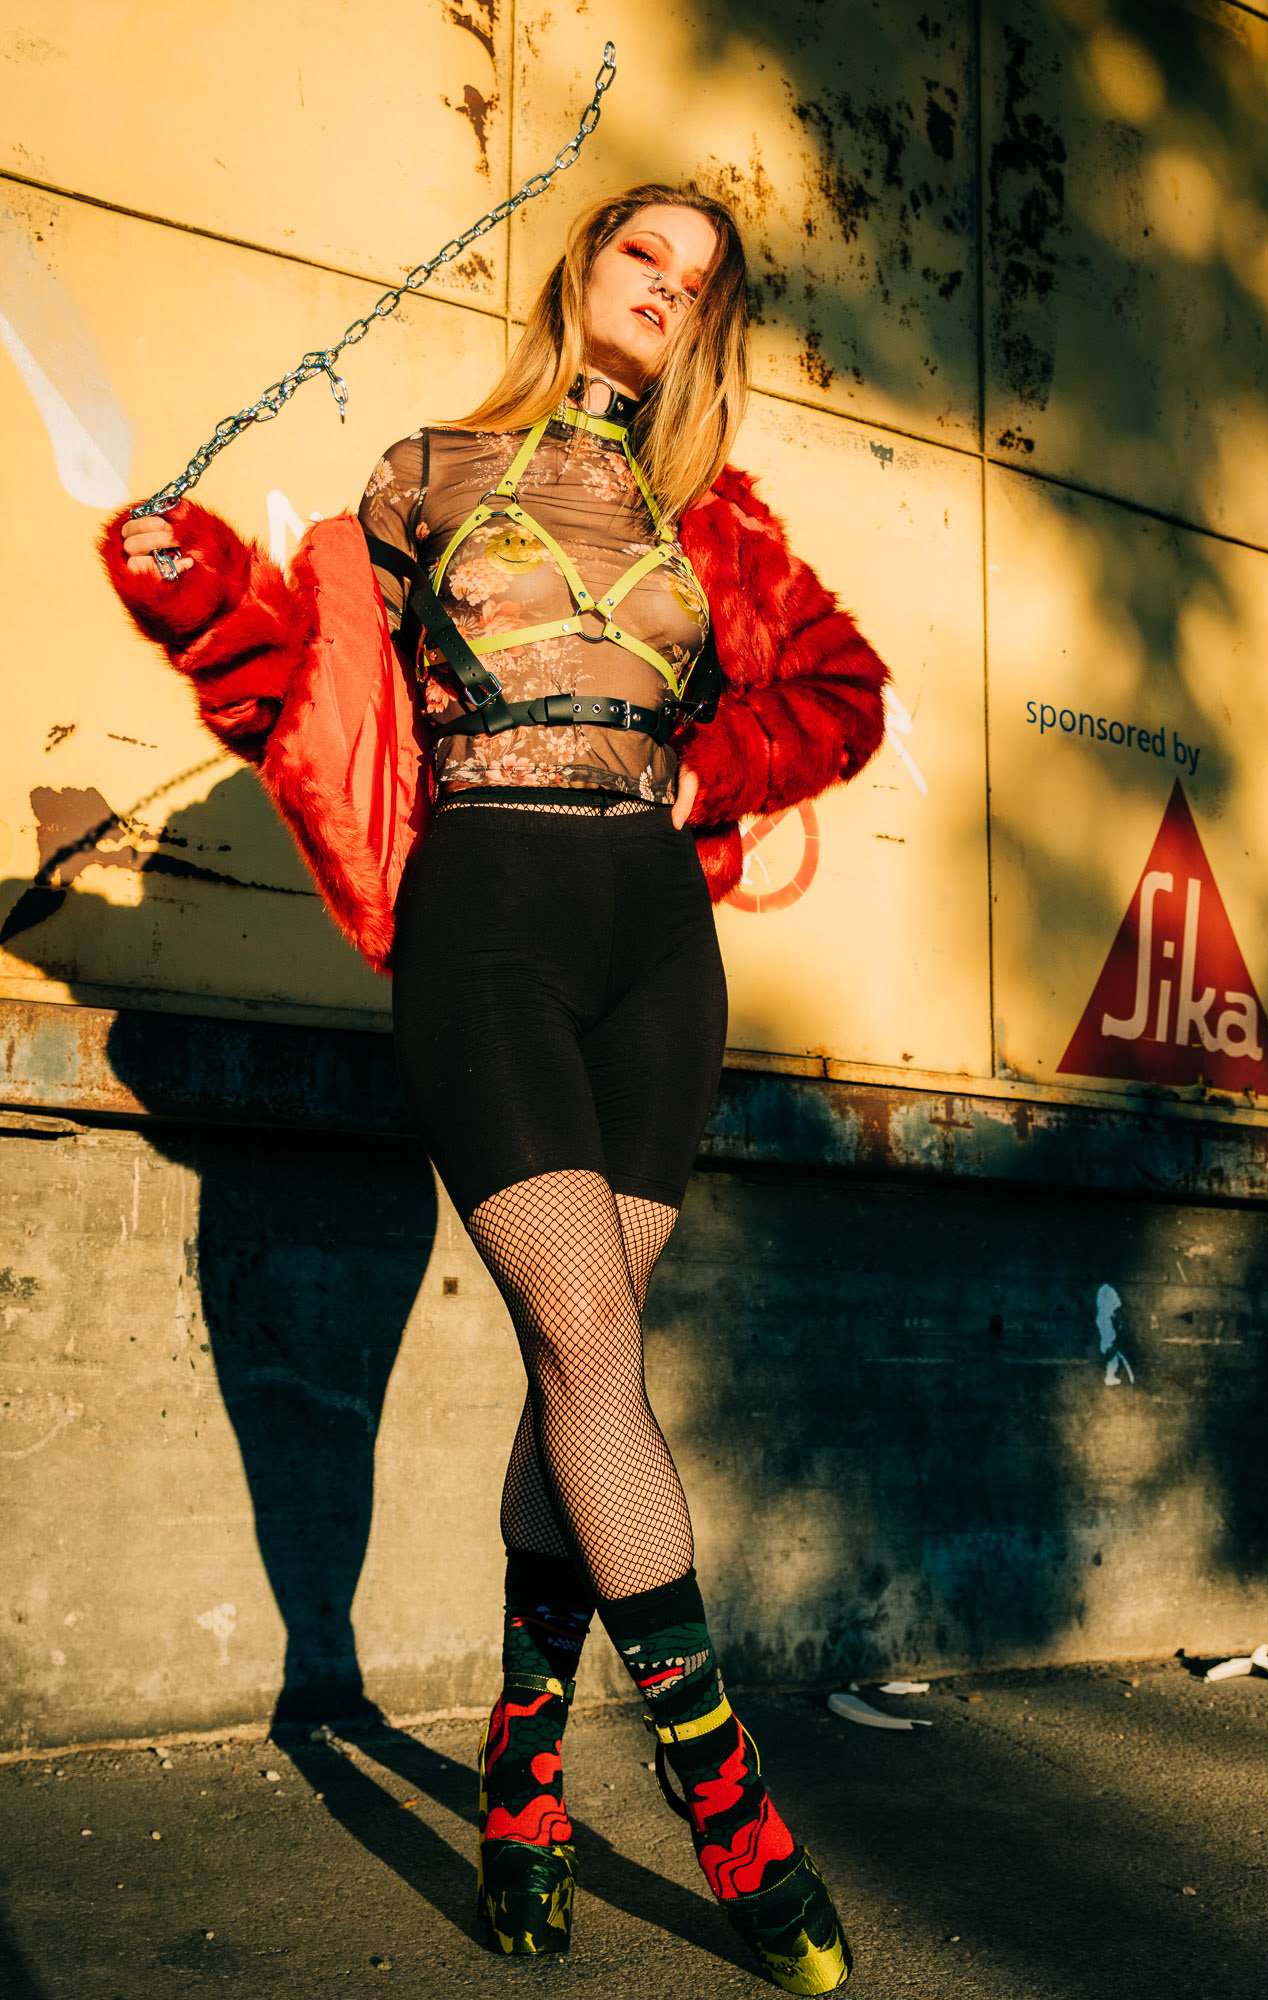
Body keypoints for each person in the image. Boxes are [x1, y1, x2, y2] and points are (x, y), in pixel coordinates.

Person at [106, 182, 887, 1992]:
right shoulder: (428, 474)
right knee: (594, 1348)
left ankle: (523, 1786)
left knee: (573, 1363)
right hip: (486, 925)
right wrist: (198, 573)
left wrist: (714, 775)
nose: (665, 294)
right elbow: (310, 684)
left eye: (697, 285)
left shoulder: (717, 521)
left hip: (651, 950)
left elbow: (835, 693)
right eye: (644, 257)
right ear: (583, 266)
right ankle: (730, 1807)